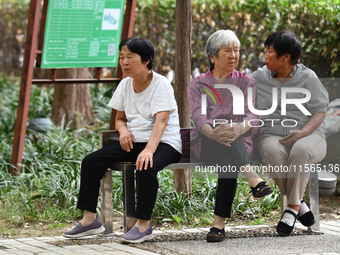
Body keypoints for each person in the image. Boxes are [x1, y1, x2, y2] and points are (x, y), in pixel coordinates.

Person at [63, 37, 182, 243]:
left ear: (146, 60)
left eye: (130, 57)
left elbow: (161, 121)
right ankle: (90, 219)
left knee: (146, 166)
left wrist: (149, 150)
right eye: (121, 57)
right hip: (135, 142)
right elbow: (119, 119)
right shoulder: (125, 84)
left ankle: (143, 224)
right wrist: (124, 131)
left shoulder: (160, 84)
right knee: (91, 162)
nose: (124, 62)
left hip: (164, 142)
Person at [188, 30, 273, 243]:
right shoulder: (198, 83)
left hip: (237, 143)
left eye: (236, 50)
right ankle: (252, 178)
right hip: (206, 141)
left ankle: (218, 226)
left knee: (229, 159)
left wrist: (237, 129)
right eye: (227, 51)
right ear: (213, 57)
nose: (234, 55)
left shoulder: (246, 81)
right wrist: (212, 132)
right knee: (226, 138)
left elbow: (252, 115)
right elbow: (198, 116)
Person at [252, 30, 329, 236]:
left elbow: (320, 110)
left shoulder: (307, 77)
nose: (265, 56)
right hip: (272, 135)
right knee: (269, 150)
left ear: (285, 57)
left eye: (269, 51)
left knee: (301, 150)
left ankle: (292, 207)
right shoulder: (259, 77)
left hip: (310, 135)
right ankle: (299, 204)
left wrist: (303, 132)